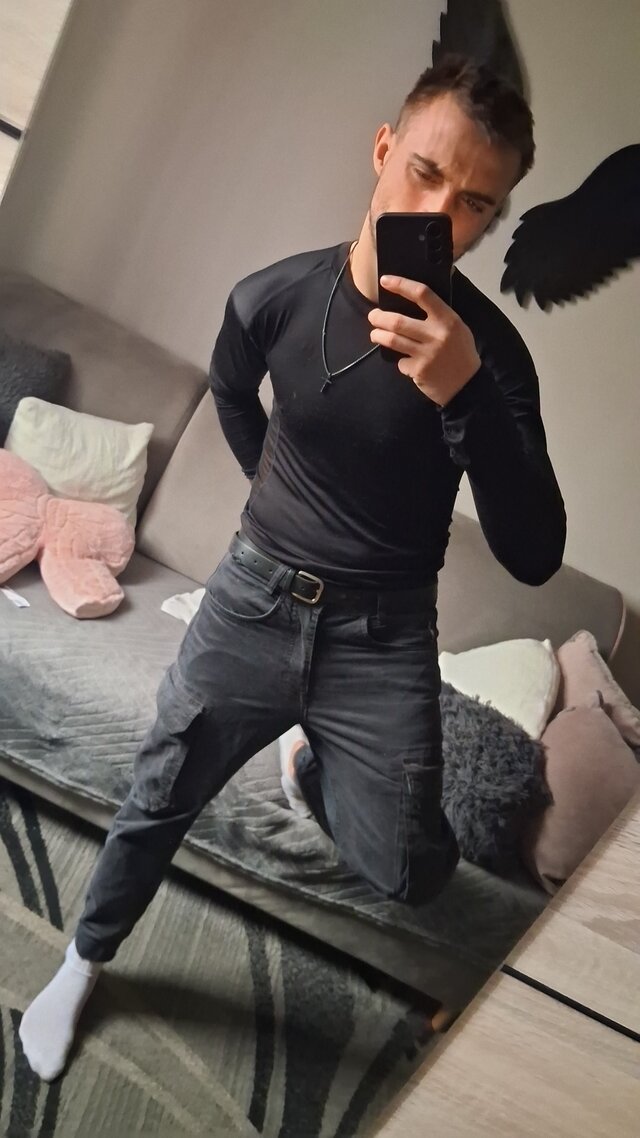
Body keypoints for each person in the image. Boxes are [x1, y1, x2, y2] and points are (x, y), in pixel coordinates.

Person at [19, 53, 566, 1082]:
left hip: (383, 635)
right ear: (382, 150)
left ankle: (307, 763)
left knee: (409, 869)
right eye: (424, 172)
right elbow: (233, 393)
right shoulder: (274, 296)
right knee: (160, 791)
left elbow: (535, 554)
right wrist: (271, 484)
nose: (441, 215)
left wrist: (466, 399)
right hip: (253, 599)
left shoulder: (491, 360)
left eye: (476, 204)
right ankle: (84, 960)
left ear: (494, 218)